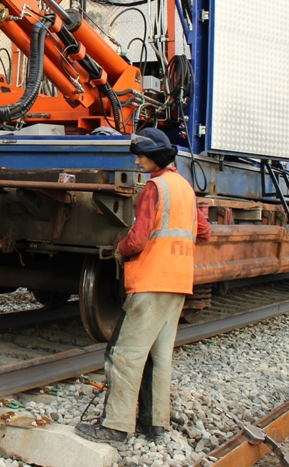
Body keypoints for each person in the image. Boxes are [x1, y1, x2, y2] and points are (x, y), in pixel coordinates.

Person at [77, 127, 211, 444]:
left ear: (153, 157)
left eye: (140, 156)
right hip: (178, 283)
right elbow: (204, 232)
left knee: (123, 353)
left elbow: (137, 240)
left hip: (151, 281)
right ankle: (155, 425)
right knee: (159, 356)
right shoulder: (185, 189)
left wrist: (118, 250)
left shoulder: (155, 188)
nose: (137, 162)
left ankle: (116, 426)